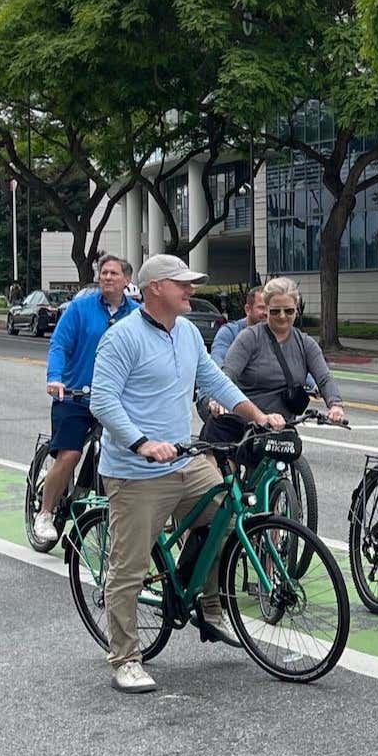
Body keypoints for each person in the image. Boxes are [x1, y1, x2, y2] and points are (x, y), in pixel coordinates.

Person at [89, 254, 288, 694]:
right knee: (129, 568)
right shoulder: (122, 338)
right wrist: (142, 443)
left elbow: (215, 382)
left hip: (184, 459)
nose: (191, 290)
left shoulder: (188, 334)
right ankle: (125, 657)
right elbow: (102, 401)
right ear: (156, 288)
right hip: (137, 471)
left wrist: (258, 416)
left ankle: (209, 605)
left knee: (226, 515)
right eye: (183, 283)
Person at [34, 256, 139, 548]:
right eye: (103, 272)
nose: (107, 277)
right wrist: (55, 378)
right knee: (70, 455)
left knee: (125, 455)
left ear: (127, 280)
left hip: (114, 401)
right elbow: (59, 345)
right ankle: (45, 513)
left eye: (114, 273)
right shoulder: (80, 309)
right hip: (75, 397)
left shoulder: (137, 314)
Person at [218, 277, 345, 424]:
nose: (282, 316)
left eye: (289, 311)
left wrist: (335, 405)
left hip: (284, 427)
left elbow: (324, 378)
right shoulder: (249, 337)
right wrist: (219, 399)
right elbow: (228, 374)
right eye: (275, 311)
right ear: (266, 309)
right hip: (245, 426)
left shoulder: (306, 344)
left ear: (296, 309)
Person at [209, 286, 267, 365]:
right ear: (247, 309)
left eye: (270, 308)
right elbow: (218, 363)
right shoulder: (229, 333)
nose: (266, 312)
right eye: (261, 307)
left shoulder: (278, 334)